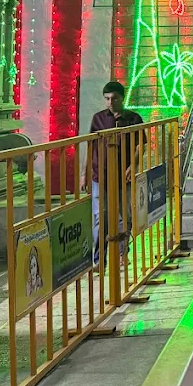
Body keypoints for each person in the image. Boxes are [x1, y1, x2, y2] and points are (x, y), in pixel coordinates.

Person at [83, 81, 143, 264]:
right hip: (99, 175)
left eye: (114, 98)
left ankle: (123, 253)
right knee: (99, 218)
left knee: (124, 215)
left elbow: (141, 143)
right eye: (107, 99)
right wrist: (83, 174)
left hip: (122, 176)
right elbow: (90, 145)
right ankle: (99, 257)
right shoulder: (98, 119)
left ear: (122, 98)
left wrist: (133, 164)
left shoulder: (133, 118)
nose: (110, 102)